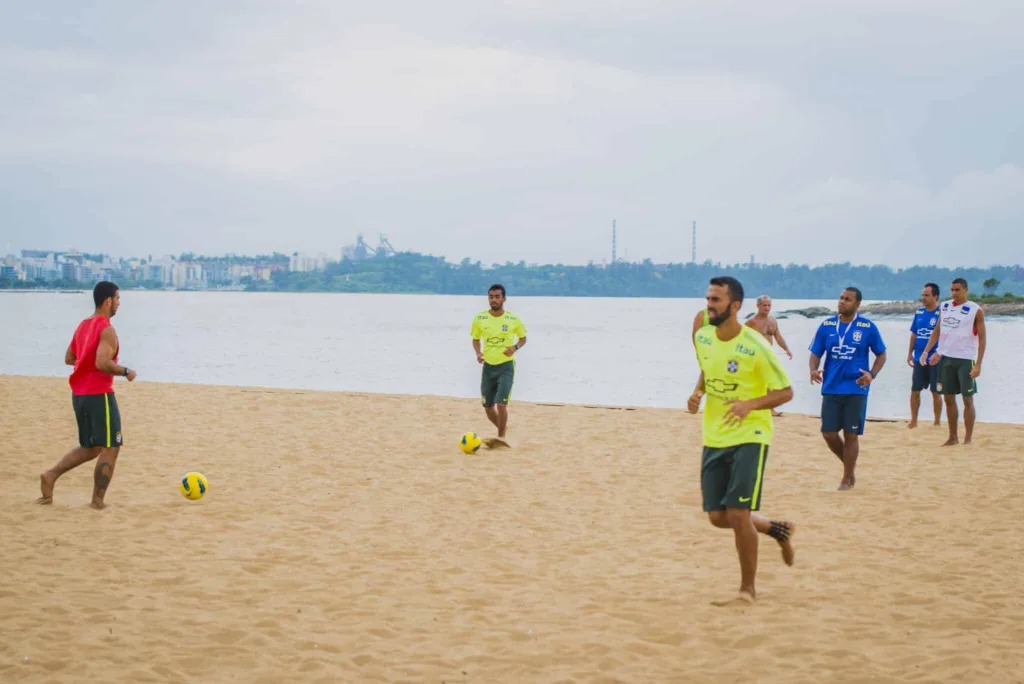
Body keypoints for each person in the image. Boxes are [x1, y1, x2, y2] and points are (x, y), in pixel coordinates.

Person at [688, 276, 796, 606]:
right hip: (715, 434)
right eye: (708, 299)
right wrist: (697, 393)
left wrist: (749, 405)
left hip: (752, 435)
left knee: (737, 513)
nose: (709, 305)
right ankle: (777, 529)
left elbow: (786, 392)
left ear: (735, 306)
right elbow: (709, 367)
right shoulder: (704, 336)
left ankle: (746, 591)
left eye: (716, 300)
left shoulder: (756, 345)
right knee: (718, 517)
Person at [37, 281, 137, 509]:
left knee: (92, 447)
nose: (119, 304)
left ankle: (51, 474)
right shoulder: (106, 329)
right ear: (108, 301)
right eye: (118, 299)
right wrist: (125, 371)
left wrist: (87, 364)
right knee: (112, 446)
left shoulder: (83, 325)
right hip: (99, 394)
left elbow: (70, 358)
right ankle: (97, 502)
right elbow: (103, 363)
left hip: (79, 394)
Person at [808, 287, 887, 491]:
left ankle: (846, 479)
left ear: (857, 304)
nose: (842, 302)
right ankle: (850, 470)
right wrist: (813, 369)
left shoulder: (867, 327)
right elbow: (815, 352)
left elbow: (881, 355)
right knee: (828, 433)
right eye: (841, 298)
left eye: (847, 299)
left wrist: (871, 374)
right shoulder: (826, 326)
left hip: (856, 388)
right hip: (832, 387)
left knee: (851, 435)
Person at [920, 277, 986, 446]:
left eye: (958, 290)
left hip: (965, 359)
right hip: (946, 358)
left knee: (967, 399)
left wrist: (978, 364)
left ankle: (968, 438)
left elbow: (983, 338)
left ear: (966, 290)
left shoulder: (975, 310)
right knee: (948, 398)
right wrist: (928, 351)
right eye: (952, 290)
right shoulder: (945, 306)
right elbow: (938, 331)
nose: (954, 293)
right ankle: (952, 437)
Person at [470, 284, 527, 448]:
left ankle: (501, 437)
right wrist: (478, 353)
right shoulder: (480, 318)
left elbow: (523, 338)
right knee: (488, 407)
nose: (493, 300)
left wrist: (515, 348)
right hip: (488, 367)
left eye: (497, 297)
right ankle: (504, 429)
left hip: (506, 366)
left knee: (501, 404)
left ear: (504, 299)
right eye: (491, 297)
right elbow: (475, 339)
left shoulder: (513, 319)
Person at [745, 295, 794, 417]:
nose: (767, 308)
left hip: (769, 356)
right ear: (758, 306)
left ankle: (770, 409)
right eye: (764, 305)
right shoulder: (751, 322)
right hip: (755, 357)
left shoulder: (772, 320)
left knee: (771, 383)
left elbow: (778, 336)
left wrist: (786, 349)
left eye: (769, 305)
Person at [907, 283, 943, 429]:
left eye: (927, 295)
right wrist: (909, 353)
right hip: (918, 358)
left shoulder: (942, 313)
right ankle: (914, 420)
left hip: (935, 359)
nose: (923, 298)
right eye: (923, 295)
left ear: (935, 296)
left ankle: (937, 422)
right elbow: (914, 333)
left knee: (936, 391)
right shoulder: (919, 312)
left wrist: (939, 353)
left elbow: (945, 336)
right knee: (915, 389)